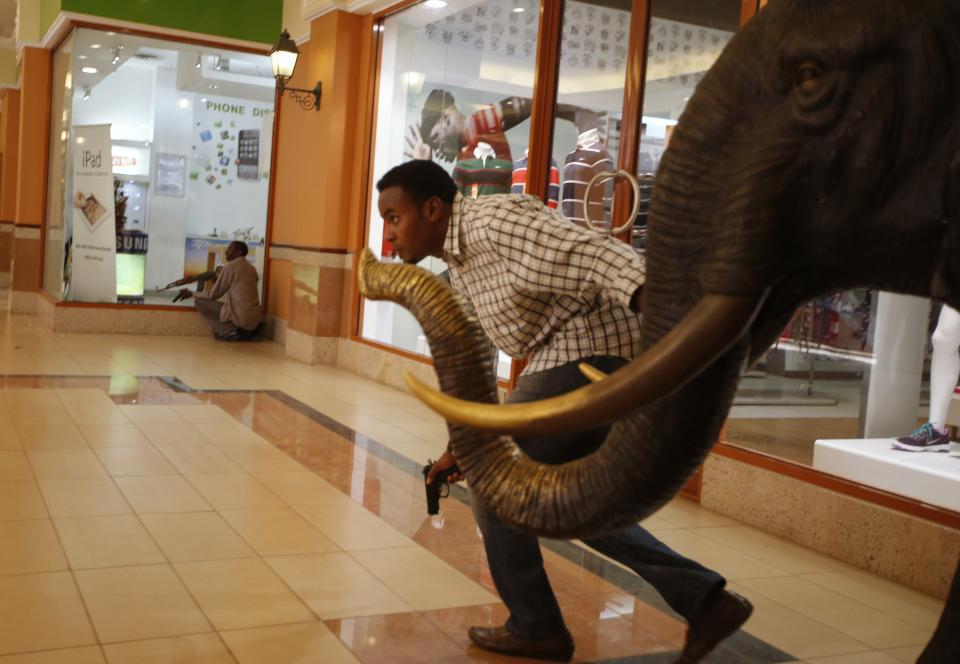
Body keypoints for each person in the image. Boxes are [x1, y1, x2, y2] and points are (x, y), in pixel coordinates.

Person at [376, 159, 753, 663]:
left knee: (498, 487)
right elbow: (478, 369)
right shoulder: (459, 268)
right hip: (561, 358)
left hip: (598, 345)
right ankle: (706, 599)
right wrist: (461, 446)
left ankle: (537, 628)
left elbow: (593, 251)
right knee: (561, 502)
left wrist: (675, 323)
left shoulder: (494, 222)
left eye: (393, 217)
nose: (389, 234)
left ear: (432, 209)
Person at [178, 240, 262, 341]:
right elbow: (214, 275)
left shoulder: (230, 267)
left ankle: (229, 331)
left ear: (238, 252)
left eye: (229, 250)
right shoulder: (251, 268)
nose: (226, 252)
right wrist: (193, 279)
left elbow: (213, 295)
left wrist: (191, 293)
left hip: (240, 318)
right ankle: (245, 331)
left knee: (199, 301)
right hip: (254, 319)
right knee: (224, 307)